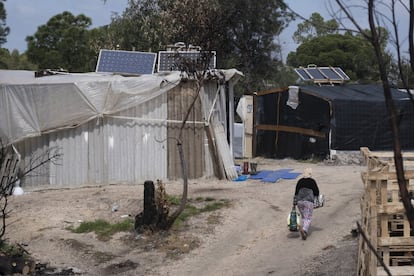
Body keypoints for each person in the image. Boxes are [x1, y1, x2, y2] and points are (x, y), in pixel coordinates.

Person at [293, 167, 319, 240]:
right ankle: (304, 230)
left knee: (304, 216)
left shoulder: (300, 181)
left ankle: (304, 228)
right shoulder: (312, 181)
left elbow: (296, 193)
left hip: (299, 202)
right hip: (308, 202)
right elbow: (316, 192)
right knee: (308, 217)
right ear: (310, 174)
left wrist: (294, 203)